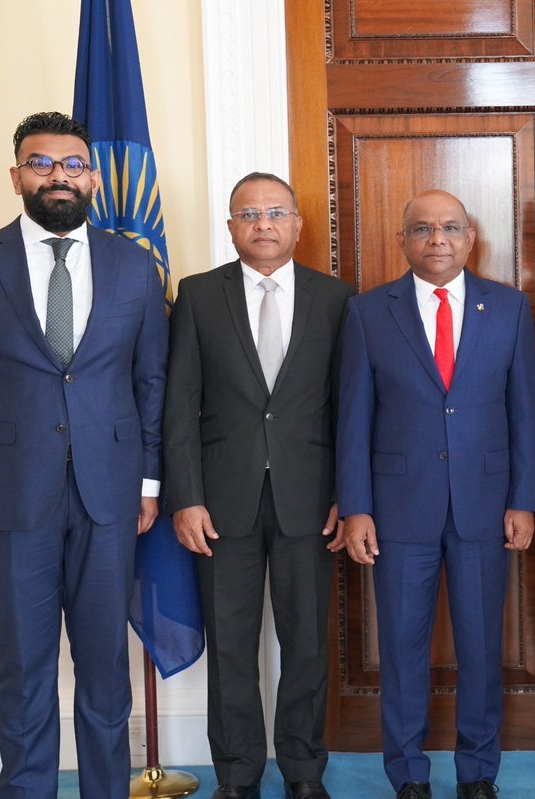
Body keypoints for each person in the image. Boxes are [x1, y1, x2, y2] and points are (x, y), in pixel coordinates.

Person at [0, 111, 167, 799]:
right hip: (7, 492)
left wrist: (149, 481)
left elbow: (151, 381)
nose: (57, 175)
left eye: (72, 164)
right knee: (25, 667)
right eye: (41, 163)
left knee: (105, 669)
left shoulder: (134, 264)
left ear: (92, 177)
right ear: (17, 177)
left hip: (111, 492)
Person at [336, 190, 535, 799]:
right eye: (422, 228)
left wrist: (523, 499)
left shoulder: (508, 307)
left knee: (481, 647)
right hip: (399, 508)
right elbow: (353, 419)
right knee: (402, 649)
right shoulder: (368, 313)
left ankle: (477, 773)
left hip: (486, 505)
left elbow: (524, 412)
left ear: (470, 238)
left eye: (450, 227)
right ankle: (407, 773)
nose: (437, 239)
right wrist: (356, 508)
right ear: (403, 240)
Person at [163, 172, 353, 799]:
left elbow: (348, 408)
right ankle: (237, 774)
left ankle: (304, 770)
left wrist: (348, 496)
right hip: (221, 503)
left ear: (297, 223)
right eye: (249, 214)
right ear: (231, 227)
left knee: (306, 644)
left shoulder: (336, 298)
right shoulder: (198, 295)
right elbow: (179, 405)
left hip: (312, 500)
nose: (263, 225)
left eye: (275, 213)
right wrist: (186, 497)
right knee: (231, 647)